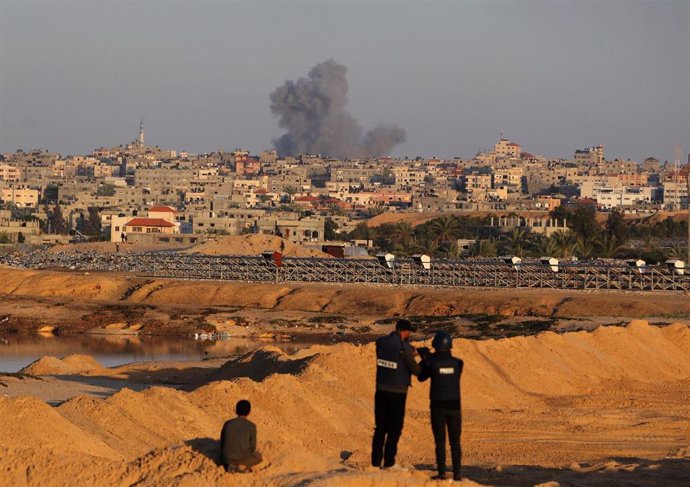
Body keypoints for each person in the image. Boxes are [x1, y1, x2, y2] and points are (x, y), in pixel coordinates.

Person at [371, 318, 422, 469]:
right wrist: (419, 356)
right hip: (397, 393)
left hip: (381, 390)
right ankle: (389, 463)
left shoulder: (382, 343)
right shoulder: (404, 348)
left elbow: (394, 355)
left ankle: (375, 463)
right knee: (394, 429)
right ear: (405, 331)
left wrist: (409, 351)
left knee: (380, 428)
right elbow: (416, 370)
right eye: (409, 332)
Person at [418, 331, 464, 481]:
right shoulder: (458, 363)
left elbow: (421, 377)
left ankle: (442, 473)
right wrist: (430, 358)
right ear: (450, 345)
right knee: (455, 442)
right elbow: (446, 366)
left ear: (435, 345)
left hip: (438, 406)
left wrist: (425, 358)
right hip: (455, 407)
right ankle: (457, 475)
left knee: (440, 442)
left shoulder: (432, 363)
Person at [220, 399, 262, 472]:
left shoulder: (228, 423)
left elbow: (222, 442)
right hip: (243, 458)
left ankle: (231, 465)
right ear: (249, 412)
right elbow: (252, 447)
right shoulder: (251, 426)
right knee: (258, 456)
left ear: (236, 411)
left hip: (226, 458)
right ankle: (242, 466)